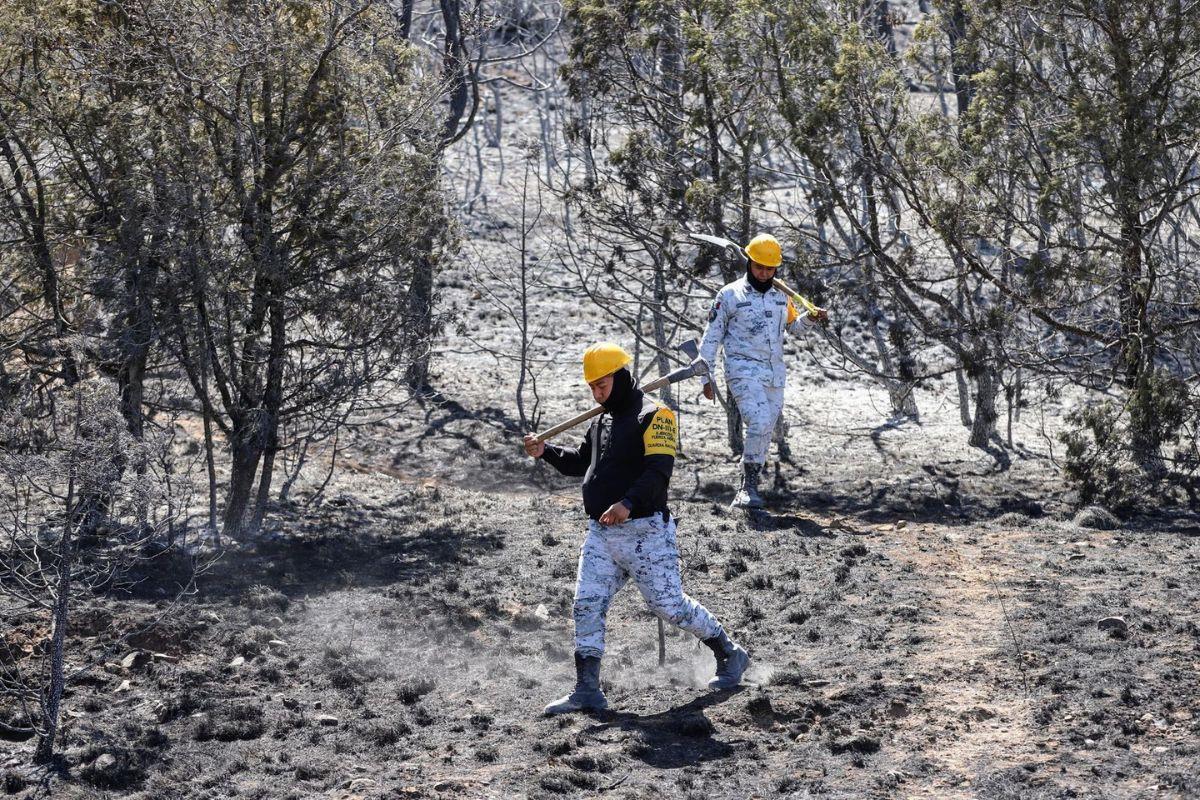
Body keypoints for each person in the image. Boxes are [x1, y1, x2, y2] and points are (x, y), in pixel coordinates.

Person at [522, 342, 750, 714]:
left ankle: (730, 653)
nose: (597, 393)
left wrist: (627, 504)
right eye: (593, 387)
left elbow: (659, 473)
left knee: (670, 606)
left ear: (622, 376)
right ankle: (587, 690)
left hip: (646, 532)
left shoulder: (655, 415)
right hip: (601, 533)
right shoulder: (601, 419)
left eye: (603, 385)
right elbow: (582, 463)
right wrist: (545, 452)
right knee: (586, 604)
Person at [699, 234, 828, 509]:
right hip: (742, 369)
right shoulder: (729, 295)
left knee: (766, 426)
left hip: (774, 373)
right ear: (749, 263)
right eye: (760, 267)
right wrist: (705, 375)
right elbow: (711, 337)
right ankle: (747, 488)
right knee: (757, 421)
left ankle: (749, 485)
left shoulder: (782, 295)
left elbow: (793, 328)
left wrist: (811, 319)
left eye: (770, 269)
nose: (764, 273)